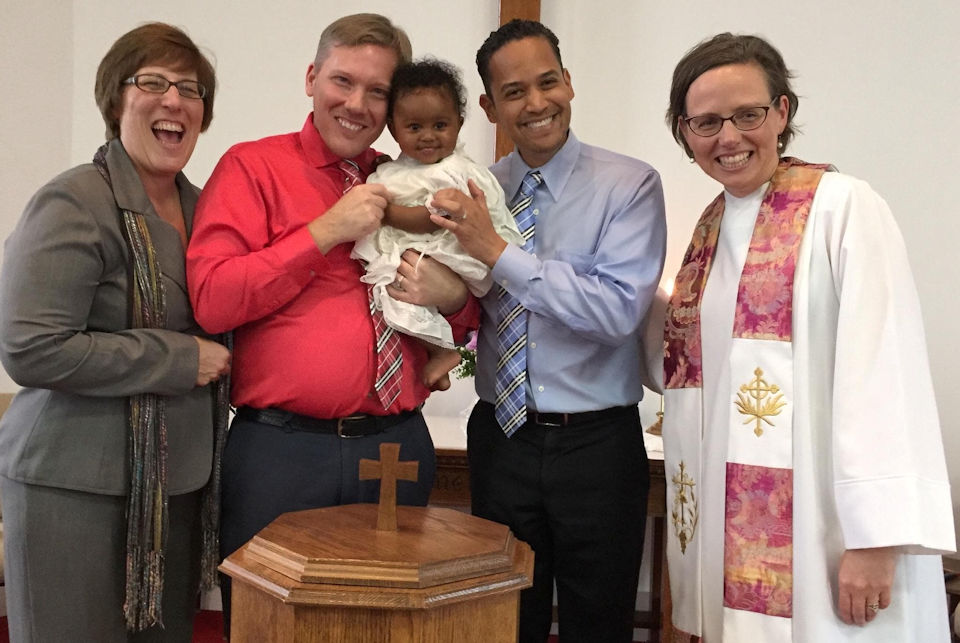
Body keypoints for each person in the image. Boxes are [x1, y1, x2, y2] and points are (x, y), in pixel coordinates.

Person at [660, 32, 955, 642]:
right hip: (736, 532)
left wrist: (875, 541)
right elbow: (687, 365)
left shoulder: (843, 208)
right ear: (685, 133)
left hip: (831, 538)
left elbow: (885, 372)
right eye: (707, 122)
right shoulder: (708, 232)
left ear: (783, 112)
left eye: (748, 115)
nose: (729, 138)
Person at [185, 12, 474, 628]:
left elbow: (470, 309)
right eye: (343, 81)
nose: (357, 104)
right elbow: (212, 297)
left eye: (378, 91)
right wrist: (324, 232)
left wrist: (452, 298)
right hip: (281, 453)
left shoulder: (411, 180)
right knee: (273, 627)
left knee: (392, 629)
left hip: (398, 445)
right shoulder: (252, 167)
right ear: (312, 78)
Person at [429, 19, 667, 642]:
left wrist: (497, 251)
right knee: (506, 620)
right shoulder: (476, 190)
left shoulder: (629, 185)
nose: (536, 104)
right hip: (501, 438)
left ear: (568, 82)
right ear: (489, 106)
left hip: (597, 447)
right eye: (514, 92)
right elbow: (460, 301)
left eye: (548, 82)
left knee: (599, 622)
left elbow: (617, 313)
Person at [0, 23, 231, 642]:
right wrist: (179, 358)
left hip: (176, 487)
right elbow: (32, 347)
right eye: (152, 82)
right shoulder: (75, 201)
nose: (175, 100)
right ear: (115, 99)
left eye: (191, 88)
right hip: (71, 488)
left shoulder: (208, 210)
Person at [353, 58, 522, 390]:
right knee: (394, 295)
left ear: (458, 124)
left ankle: (442, 351)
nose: (428, 137)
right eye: (414, 127)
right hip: (419, 252)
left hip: (448, 250)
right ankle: (437, 353)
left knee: (403, 289)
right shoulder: (393, 169)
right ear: (393, 127)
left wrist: (387, 213)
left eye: (440, 126)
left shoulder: (453, 171)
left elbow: (432, 219)